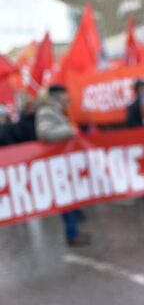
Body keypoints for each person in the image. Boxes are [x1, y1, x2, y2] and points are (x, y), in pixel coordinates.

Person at [36, 85, 90, 246]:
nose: (69, 98)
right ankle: (72, 234)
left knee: (70, 198)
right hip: (57, 165)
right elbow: (45, 133)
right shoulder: (46, 112)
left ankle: (75, 231)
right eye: (66, 95)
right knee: (65, 199)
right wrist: (70, 130)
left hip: (64, 163)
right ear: (58, 96)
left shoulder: (58, 110)